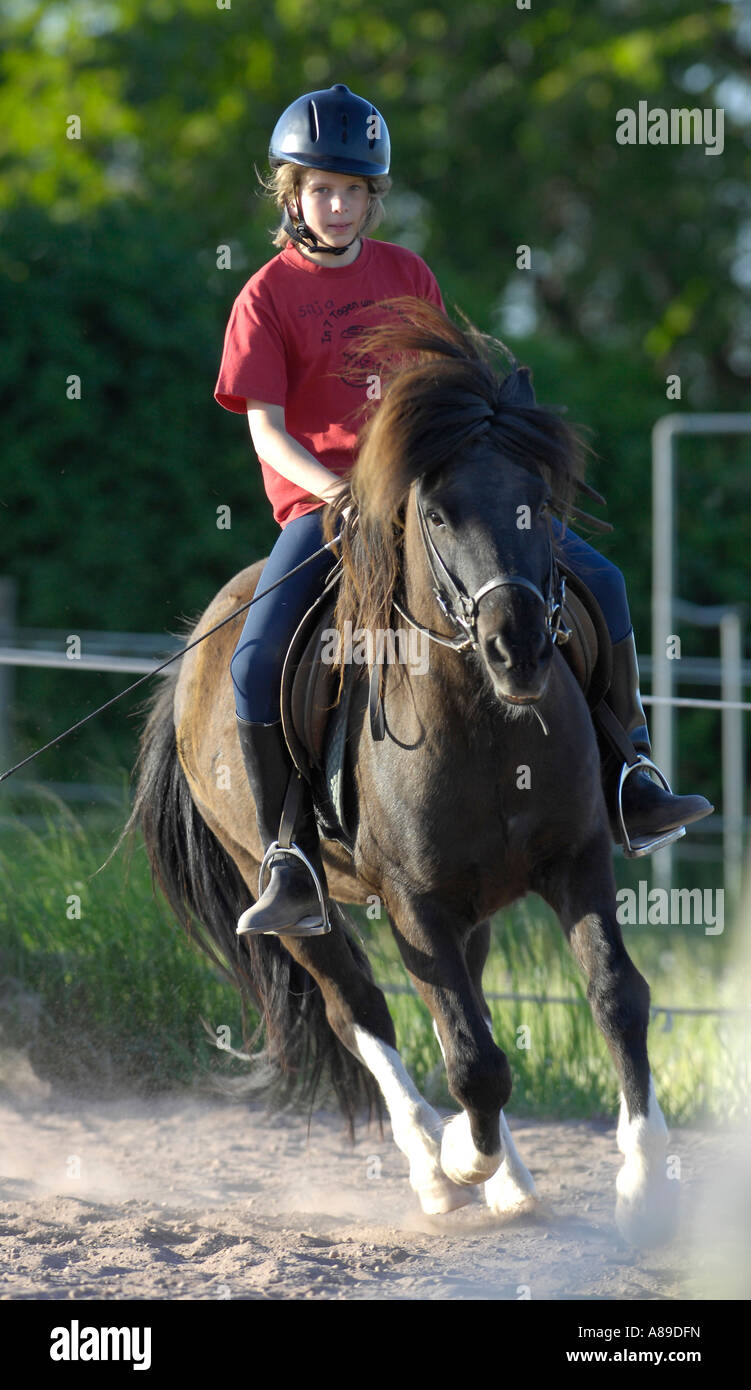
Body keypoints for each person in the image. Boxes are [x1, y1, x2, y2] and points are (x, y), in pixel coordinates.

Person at [214, 83, 712, 940]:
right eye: (321, 190)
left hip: (436, 498)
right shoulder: (263, 295)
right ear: (290, 195)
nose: (338, 206)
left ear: (375, 197)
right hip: (329, 511)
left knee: (599, 579)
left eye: (354, 191)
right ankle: (287, 856)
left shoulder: (407, 274)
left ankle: (630, 775)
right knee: (255, 657)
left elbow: (442, 396)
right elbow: (265, 430)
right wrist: (338, 490)